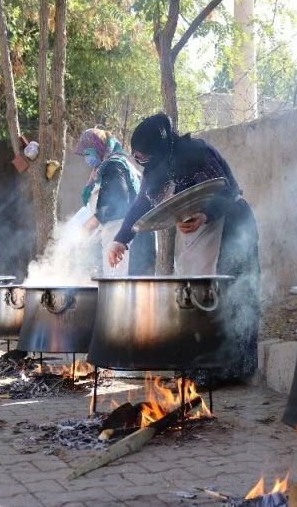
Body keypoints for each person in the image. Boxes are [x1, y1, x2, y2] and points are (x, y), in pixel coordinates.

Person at [107, 113, 261, 386]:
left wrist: (204, 215)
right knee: (198, 296)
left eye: (143, 153)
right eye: (138, 154)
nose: (140, 158)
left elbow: (225, 190)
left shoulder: (197, 153)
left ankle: (228, 370)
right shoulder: (155, 169)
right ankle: (202, 365)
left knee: (233, 296)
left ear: (158, 146)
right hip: (200, 231)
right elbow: (142, 205)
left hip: (232, 226)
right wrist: (121, 239)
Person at [72, 128, 155, 276]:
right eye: (84, 154)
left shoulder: (114, 165)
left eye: (88, 152)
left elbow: (118, 202)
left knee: (119, 292)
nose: (86, 157)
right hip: (131, 236)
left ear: (99, 147)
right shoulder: (118, 164)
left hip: (124, 238)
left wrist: (89, 225)